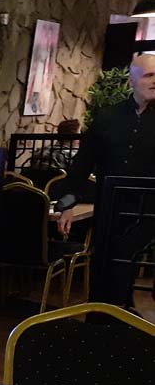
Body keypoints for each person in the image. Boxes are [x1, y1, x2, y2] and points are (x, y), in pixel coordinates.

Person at [57, 54, 155, 304]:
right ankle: (101, 319)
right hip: (110, 207)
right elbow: (82, 164)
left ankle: (121, 314)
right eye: (149, 75)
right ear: (132, 81)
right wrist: (67, 205)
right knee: (102, 266)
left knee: (123, 262)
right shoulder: (107, 117)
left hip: (148, 210)